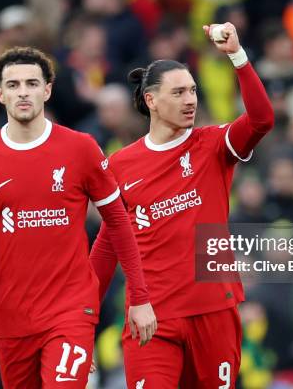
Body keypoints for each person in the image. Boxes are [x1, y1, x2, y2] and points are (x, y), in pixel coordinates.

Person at [0, 46, 156, 388]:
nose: (23, 92)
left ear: (47, 90)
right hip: (12, 316)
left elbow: (119, 221)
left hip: (70, 309)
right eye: (14, 84)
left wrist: (139, 297)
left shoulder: (80, 148)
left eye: (32, 83)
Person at [90, 23, 274, 387]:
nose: (190, 100)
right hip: (151, 316)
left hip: (213, 311)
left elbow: (262, 119)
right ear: (151, 101)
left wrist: (238, 57)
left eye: (192, 90)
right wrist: (82, 320)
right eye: (178, 93)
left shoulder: (212, 145)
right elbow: (108, 245)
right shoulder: (120, 166)